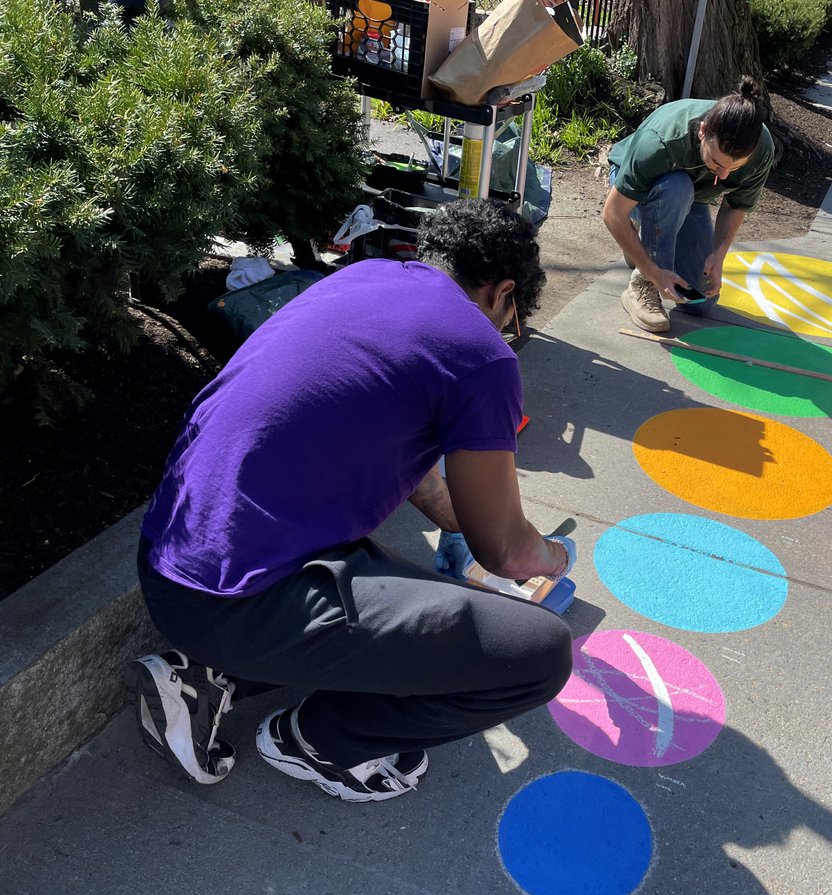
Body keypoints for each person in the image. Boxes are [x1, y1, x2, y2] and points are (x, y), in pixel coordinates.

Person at [126, 199, 576, 802]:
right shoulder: (481, 356)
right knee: (539, 654)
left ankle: (205, 680)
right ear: (503, 293)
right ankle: (319, 742)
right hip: (239, 603)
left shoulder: (361, 279)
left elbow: (384, 450)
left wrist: (462, 523)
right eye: (513, 319)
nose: (506, 334)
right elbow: (506, 552)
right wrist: (552, 557)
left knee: (411, 592)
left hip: (170, 561)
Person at [602, 77, 775, 333]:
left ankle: (645, 240)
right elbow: (613, 214)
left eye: (734, 167)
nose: (724, 175)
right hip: (636, 190)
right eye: (717, 163)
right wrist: (653, 273)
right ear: (702, 132)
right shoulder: (662, 142)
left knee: (699, 301)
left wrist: (718, 255)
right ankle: (641, 285)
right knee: (677, 187)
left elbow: (736, 205)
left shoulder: (761, 149)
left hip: (687, 200)